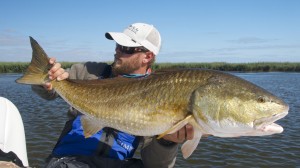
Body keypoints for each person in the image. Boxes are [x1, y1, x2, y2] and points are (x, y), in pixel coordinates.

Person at [32, 23, 194, 168]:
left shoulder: (161, 93)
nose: (117, 50)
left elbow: (155, 164)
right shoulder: (89, 72)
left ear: (148, 56)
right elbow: (49, 92)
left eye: (127, 48)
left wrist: (167, 142)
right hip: (68, 158)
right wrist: (47, 80)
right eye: (118, 45)